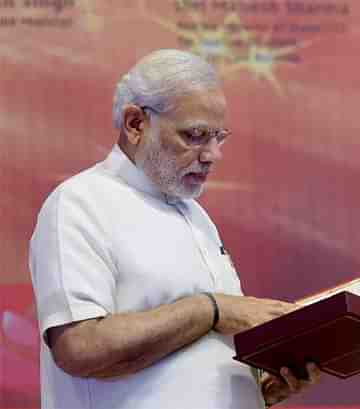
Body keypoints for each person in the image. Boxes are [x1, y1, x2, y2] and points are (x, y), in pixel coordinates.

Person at [29, 49, 319, 409]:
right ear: (136, 123)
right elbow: (80, 348)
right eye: (195, 135)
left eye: (219, 137)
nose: (213, 154)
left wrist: (255, 393)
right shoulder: (79, 203)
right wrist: (209, 310)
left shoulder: (196, 216)